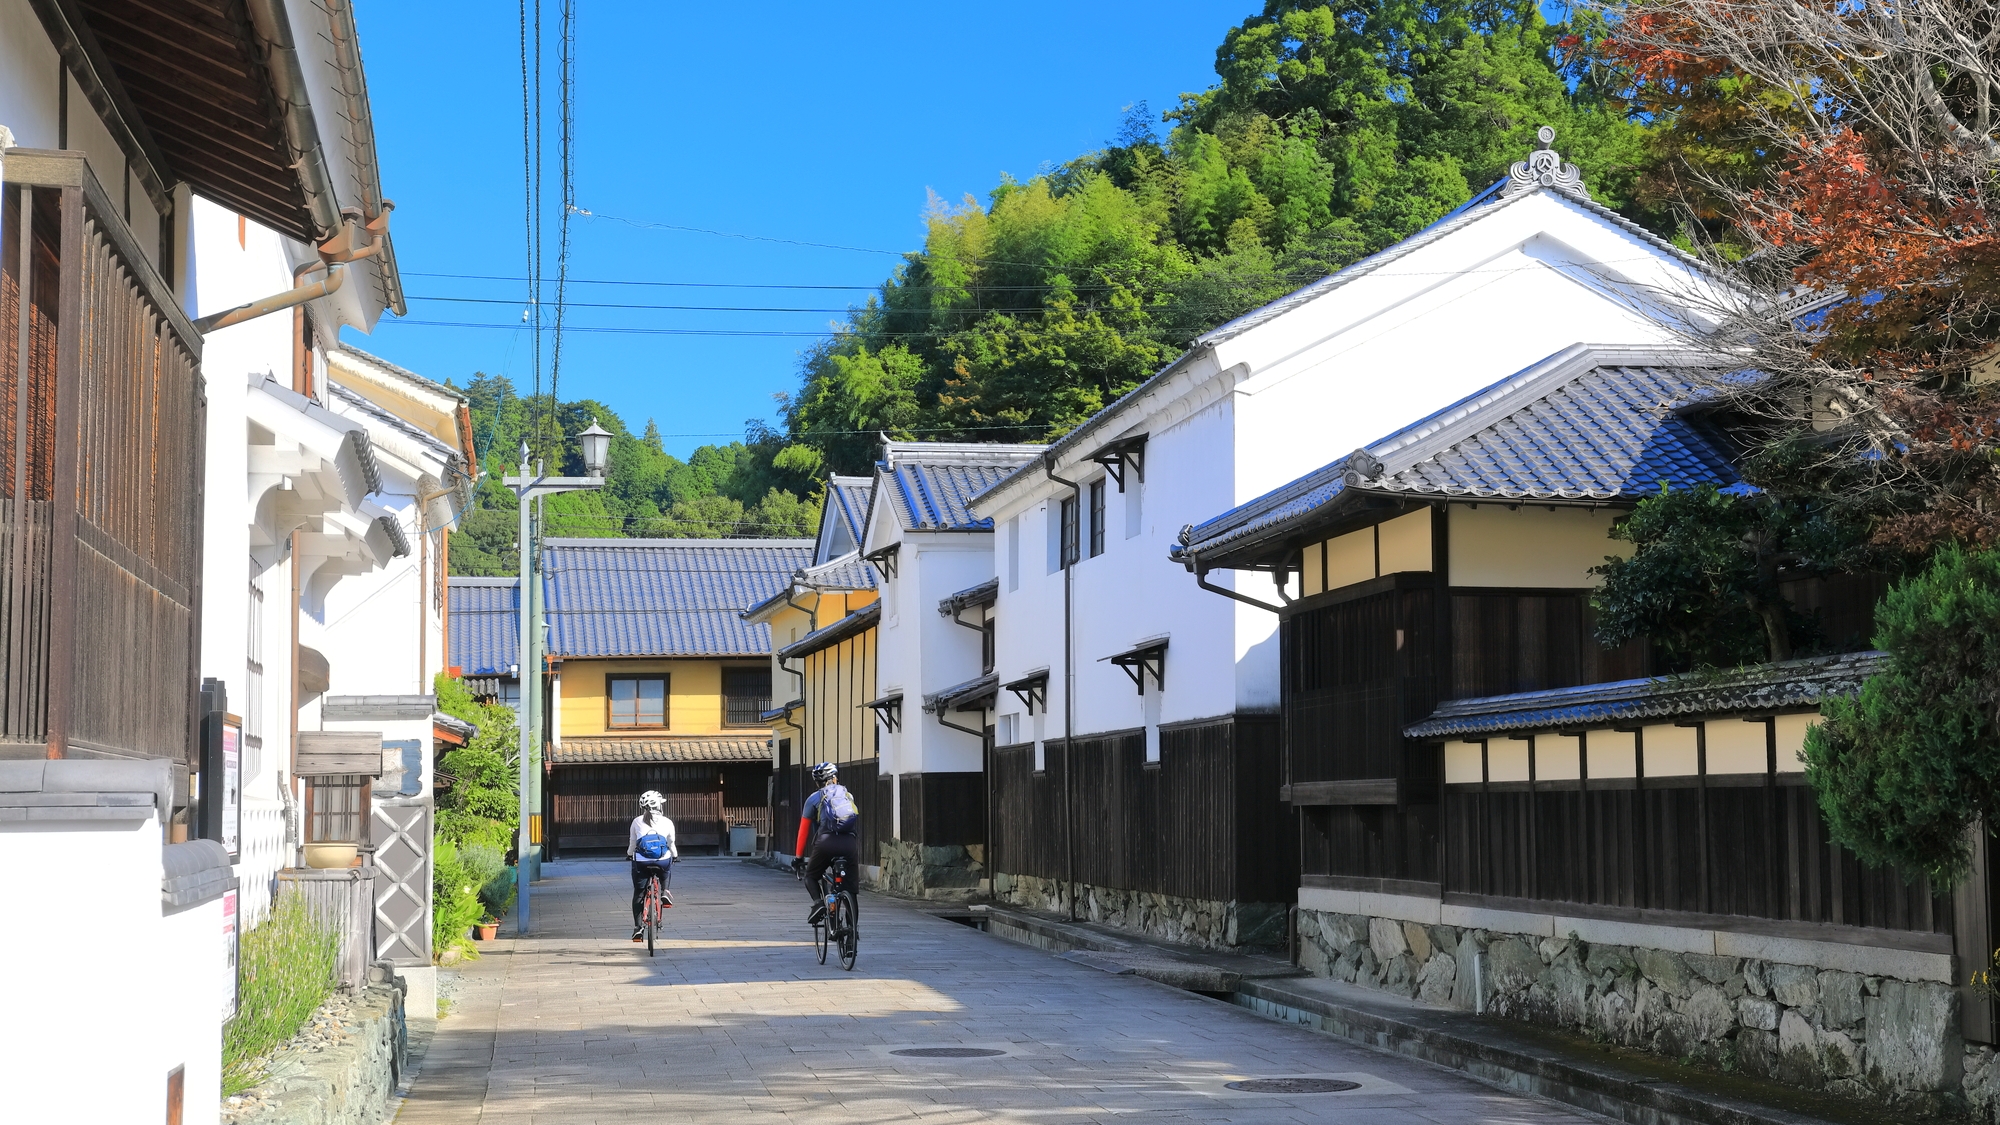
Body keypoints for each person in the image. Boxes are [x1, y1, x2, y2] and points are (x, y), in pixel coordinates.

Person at [791, 761, 860, 924]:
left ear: (817, 782)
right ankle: (852, 934)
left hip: (825, 844)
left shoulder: (813, 799)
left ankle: (819, 904)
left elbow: (803, 831)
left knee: (811, 876)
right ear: (834, 778)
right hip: (849, 844)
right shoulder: (847, 795)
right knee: (851, 891)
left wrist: (798, 858)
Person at [627, 789, 678, 941]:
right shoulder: (667, 821)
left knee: (639, 893)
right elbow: (671, 843)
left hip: (641, 862)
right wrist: (675, 855)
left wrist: (629, 854)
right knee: (666, 867)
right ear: (659, 805)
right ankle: (665, 892)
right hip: (662, 860)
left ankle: (638, 928)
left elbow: (632, 843)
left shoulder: (636, 821)